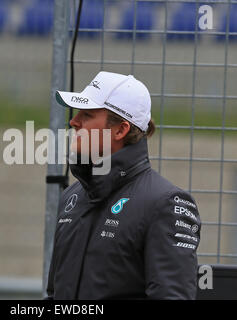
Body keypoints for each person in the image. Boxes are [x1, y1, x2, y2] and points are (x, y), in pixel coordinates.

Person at [46, 71, 201, 300]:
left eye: (87, 115)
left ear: (120, 130)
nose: (74, 122)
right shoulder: (72, 197)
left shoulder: (166, 204)